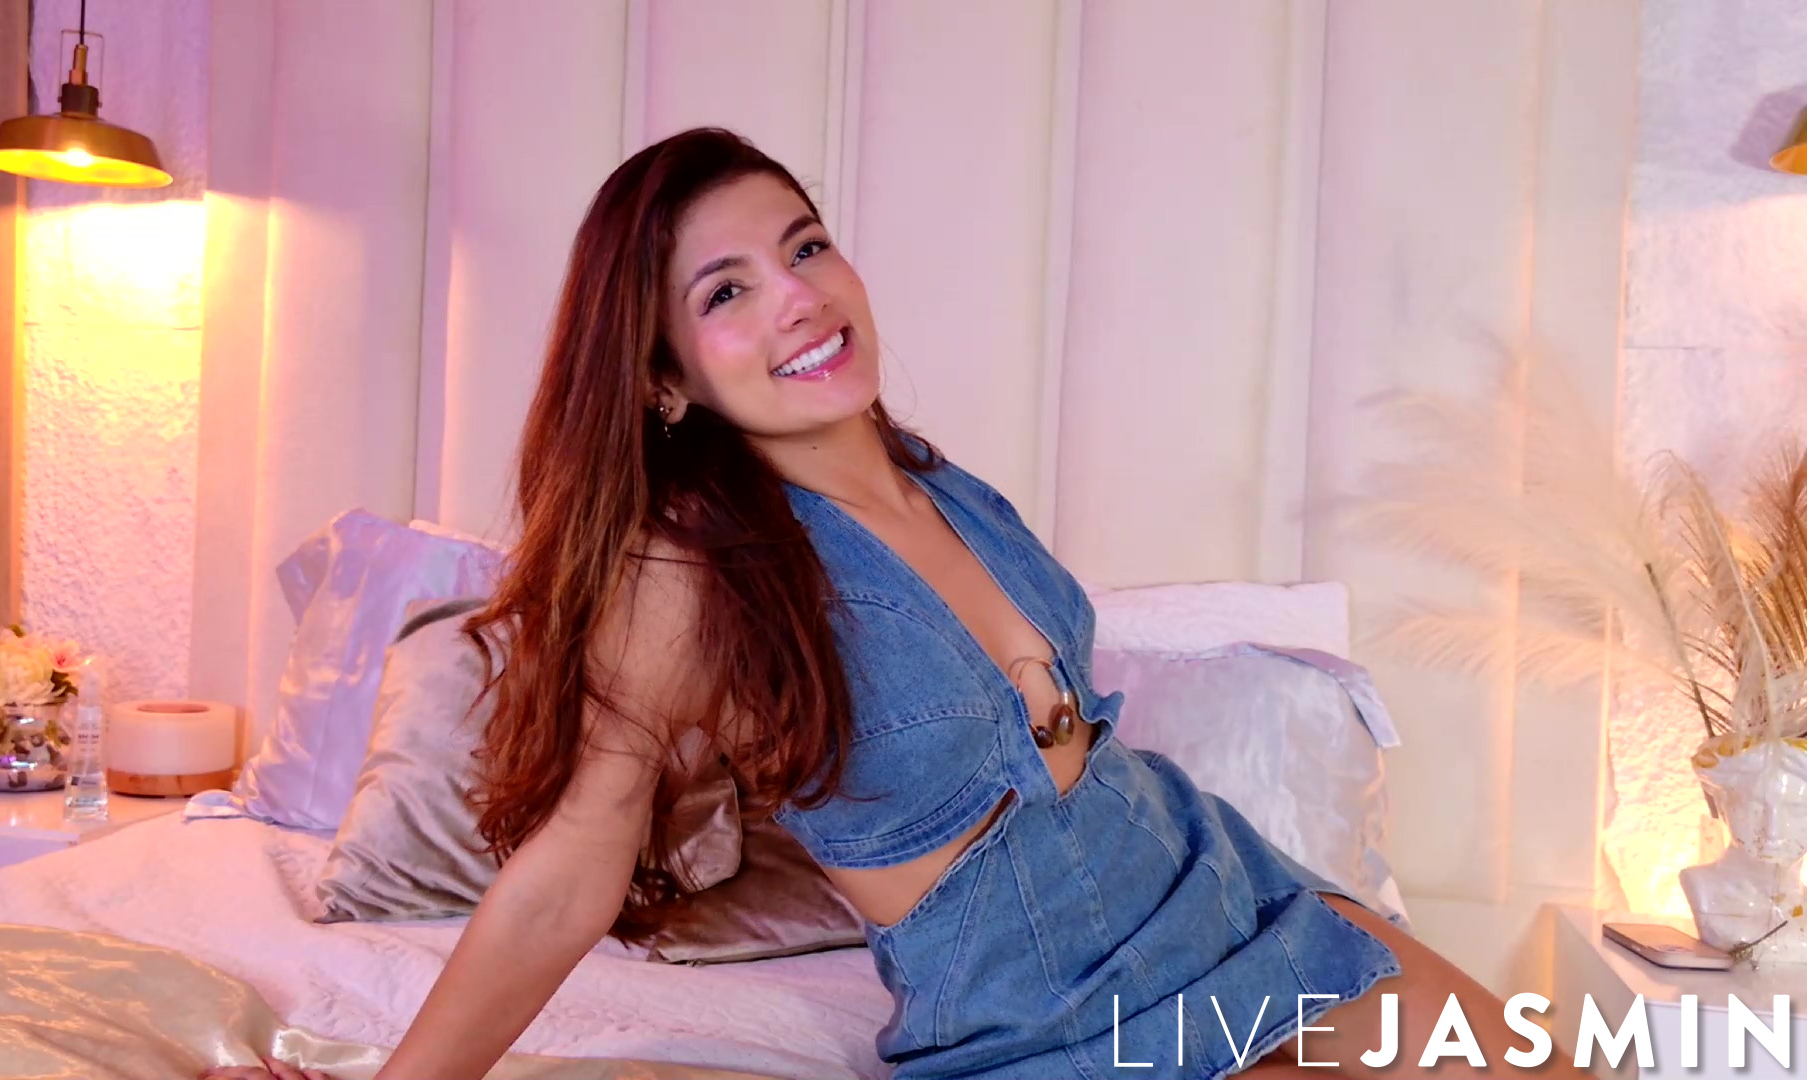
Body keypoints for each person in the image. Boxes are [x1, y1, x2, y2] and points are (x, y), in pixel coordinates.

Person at [206, 128, 1579, 1080]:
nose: (799, 301)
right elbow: (570, 871)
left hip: (1218, 888)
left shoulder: (942, 486)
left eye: (804, 248)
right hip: (1050, 1019)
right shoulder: (689, 575)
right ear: (665, 376)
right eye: (728, 292)